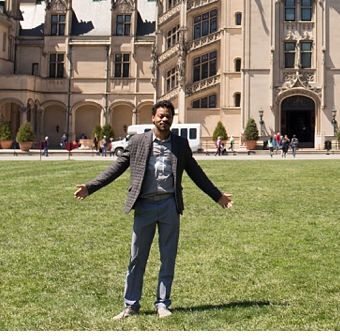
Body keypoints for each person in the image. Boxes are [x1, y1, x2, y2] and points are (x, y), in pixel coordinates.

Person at [73, 100, 232, 320]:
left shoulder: (180, 144)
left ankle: (162, 304)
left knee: (168, 257)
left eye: (168, 116)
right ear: (153, 118)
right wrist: (91, 187)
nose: (164, 119)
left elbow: (197, 173)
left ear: (172, 119)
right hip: (145, 205)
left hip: (169, 205)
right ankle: (130, 305)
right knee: (137, 257)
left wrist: (218, 196)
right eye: (160, 116)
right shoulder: (138, 142)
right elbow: (117, 168)